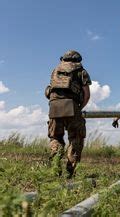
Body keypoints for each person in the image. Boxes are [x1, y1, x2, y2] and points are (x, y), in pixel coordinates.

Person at [45, 50, 91, 178]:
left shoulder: (55, 71)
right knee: (76, 138)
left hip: (54, 106)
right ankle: (70, 172)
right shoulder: (81, 71)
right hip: (72, 106)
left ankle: (55, 168)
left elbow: (50, 90)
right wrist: (79, 108)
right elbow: (86, 95)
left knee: (56, 138)